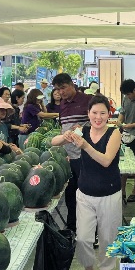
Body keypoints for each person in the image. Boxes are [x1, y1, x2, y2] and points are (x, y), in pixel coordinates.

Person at [51, 95, 122, 270]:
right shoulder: (82, 130)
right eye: (94, 113)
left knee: (108, 238)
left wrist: (85, 146)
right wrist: (65, 136)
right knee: (82, 237)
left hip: (109, 194)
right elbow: (54, 142)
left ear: (109, 114)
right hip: (84, 193)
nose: (98, 117)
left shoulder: (114, 133)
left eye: (102, 113)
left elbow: (106, 160)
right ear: (88, 114)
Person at [52, 72, 91, 232]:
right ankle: (72, 226)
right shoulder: (62, 104)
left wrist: (83, 127)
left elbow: (98, 123)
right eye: (58, 89)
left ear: (72, 85)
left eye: (63, 88)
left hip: (84, 156)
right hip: (69, 157)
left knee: (85, 194)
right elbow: (64, 129)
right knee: (70, 193)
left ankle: (89, 227)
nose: (61, 92)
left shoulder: (87, 100)